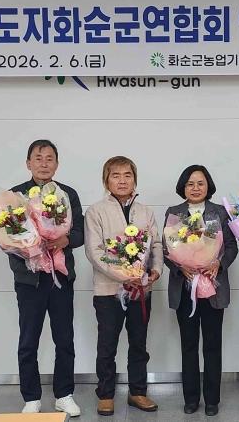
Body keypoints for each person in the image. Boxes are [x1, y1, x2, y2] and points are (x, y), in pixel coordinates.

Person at [8, 140, 83, 417]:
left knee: (64, 338)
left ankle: (64, 395)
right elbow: (6, 236)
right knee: (29, 340)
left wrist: (65, 239)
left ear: (57, 164)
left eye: (49, 158)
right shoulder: (15, 195)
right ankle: (31, 398)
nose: (44, 163)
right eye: (38, 158)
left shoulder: (67, 194)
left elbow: (80, 232)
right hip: (30, 279)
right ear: (28, 163)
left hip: (60, 277)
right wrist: (28, 246)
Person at [84, 156, 163, 416]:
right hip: (108, 291)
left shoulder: (146, 212)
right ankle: (106, 394)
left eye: (127, 175)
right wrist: (123, 276)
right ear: (106, 180)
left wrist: (155, 270)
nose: (122, 180)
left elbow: (156, 245)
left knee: (139, 343)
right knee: (107, 344)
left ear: (134, 180)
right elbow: (95, 252)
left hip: (141, 290)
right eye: (115, 175)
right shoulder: (96, 211)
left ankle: (138, 391)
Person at [164, 165, 238, 417]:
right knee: (188, 345)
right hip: (184, 288)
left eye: (200, 183)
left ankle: (213, 400)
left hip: (212, 287)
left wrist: (219, 263)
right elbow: (167, 249)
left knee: (212, 344)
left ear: (208, 186)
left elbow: (231, 247)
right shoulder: (174, 213)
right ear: (183, 187)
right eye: (190, 184)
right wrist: (179, 265)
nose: (195, 188)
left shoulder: (220, 212)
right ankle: (191, 398)